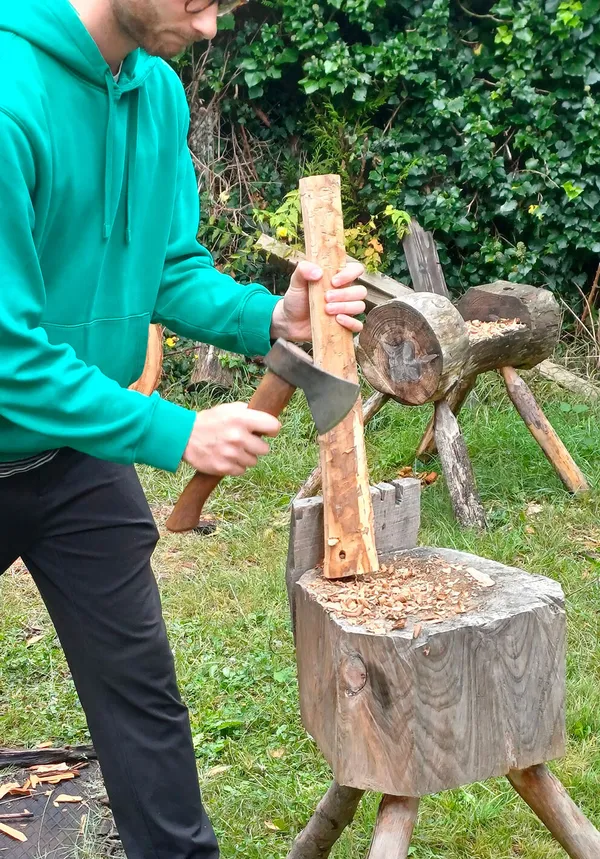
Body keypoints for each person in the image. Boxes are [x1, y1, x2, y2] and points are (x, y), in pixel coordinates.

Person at [0, 1, 367, 857]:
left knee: (142, 700)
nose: (210, 28)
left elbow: (168, 268)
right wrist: (175, 432)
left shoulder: (156, 92)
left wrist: (272, 316)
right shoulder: (10, 96)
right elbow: (7, 356)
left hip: (74, 453)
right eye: (200, 3)